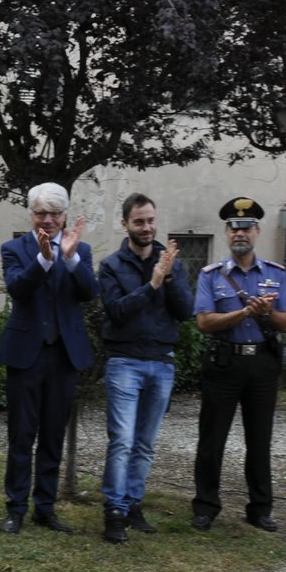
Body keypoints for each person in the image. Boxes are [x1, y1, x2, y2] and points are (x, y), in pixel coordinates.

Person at [0, 182, 97, 534]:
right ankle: (16, 508)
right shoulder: (14, 248)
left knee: (53, 435)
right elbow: (18, 288)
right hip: (26, 356)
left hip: (64, 357)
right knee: (22, 436)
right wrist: (44, 259)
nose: (48, 220)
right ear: (31, 214)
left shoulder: (79, 249)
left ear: (64, 215)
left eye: (54, 214)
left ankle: (46, 507)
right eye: (41, 213)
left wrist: (69, 258)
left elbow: (90, 292)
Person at [191, 197, 286, 532]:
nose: (240, 234)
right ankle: (206, 506)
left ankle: (260, 508)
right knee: (212, 439)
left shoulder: (275, 275)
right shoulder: (211, 276)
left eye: (247, 228)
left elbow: (285, 322)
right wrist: (245, 313)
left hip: (262, 365)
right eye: (234, 228)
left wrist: (268, 313)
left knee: (260, 440)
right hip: (224, 363)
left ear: (257, 232)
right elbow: (204, 322)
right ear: (225, 232)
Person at [96, 193, 193, 543]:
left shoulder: (173, 265)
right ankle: (114, 511)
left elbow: (186, 312)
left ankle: (133, 503)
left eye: (151, 220)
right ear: (125, 224)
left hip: (162, 363)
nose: (147, 227)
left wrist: (167, 278)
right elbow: (116, 311)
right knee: (121, 440)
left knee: (145, 443)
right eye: (139, 221)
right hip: (124, 363)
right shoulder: (110, 265)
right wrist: (151, 284)